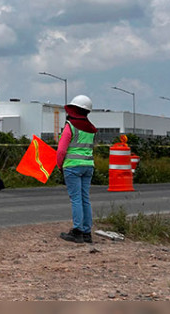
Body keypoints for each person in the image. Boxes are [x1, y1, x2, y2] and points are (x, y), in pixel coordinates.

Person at [56, 95, 98, 244]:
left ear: (74, 109)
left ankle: (77, 231)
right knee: (85, 198)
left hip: (72, 166)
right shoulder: (90, 128)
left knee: (76, 199)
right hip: (88, 166)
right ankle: (87, 233)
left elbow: (61, 150)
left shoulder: (70, 126)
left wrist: (60, 165)